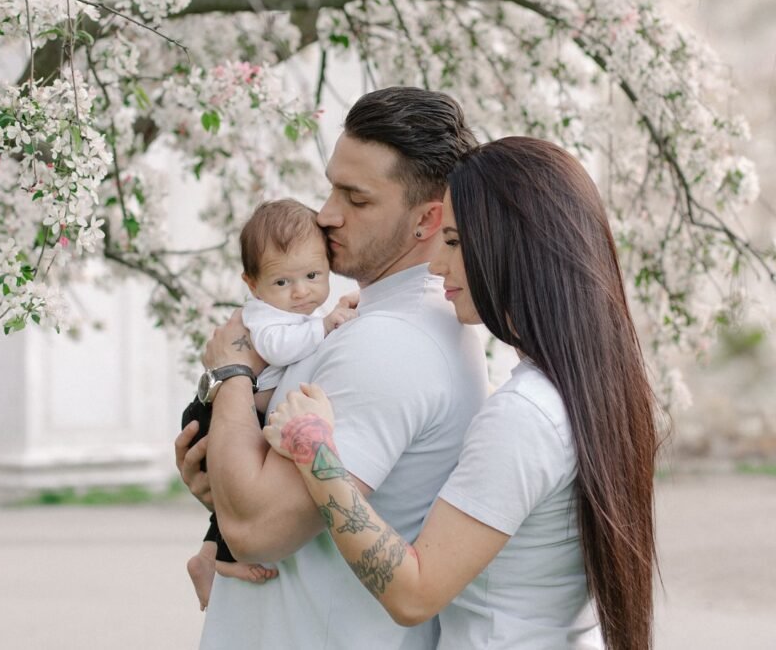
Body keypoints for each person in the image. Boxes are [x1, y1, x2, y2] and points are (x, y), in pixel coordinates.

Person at [265, 137, 658, 649]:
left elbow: (414, 594)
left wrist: (316, 453)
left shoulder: (525, 415)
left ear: (509, 246)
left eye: (452, 242)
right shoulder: (587, 391)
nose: (436, 265)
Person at [175, 87, 488, 649]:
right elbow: (256, 505)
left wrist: (229, 375)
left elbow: (256, 531)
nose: (326, 213)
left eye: (356, 198)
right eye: (330, 187)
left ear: (426, 220)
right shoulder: (378, 321)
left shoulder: (390, 344)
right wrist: (222, 479)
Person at [181, 198, 358, 610]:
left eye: (313, 275)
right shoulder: (263, 317)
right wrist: (326, 324)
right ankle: (226, 558)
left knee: (229, 492)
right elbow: (276, 349)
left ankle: (207, 558)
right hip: (210, 414)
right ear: (252, 283)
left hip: (240, 407)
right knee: (238, 489)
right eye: (282, 282)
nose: (300, 291)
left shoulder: (295, 313)